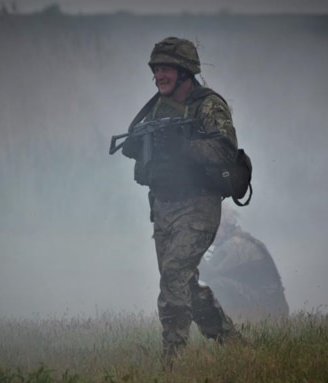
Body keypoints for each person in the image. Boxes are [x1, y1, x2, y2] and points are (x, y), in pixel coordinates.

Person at [120, 36, 244, 363]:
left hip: (198, 206)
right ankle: (230, 341)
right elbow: (148, 151)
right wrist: (139, 150)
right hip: (163, 208)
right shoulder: (158, 106)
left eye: (166, 69)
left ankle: (172, 360)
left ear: (185, 72)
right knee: (185, 285)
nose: (159, 76)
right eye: (156, 69)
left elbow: (225, 150)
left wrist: (183, 145)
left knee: (173, 275)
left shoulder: (208, 105)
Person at [199, 205, 290, 320]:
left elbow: (208, 273)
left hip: (268, 310)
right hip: (270, 306)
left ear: (227, 226)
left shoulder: (234, 245)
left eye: (215, 227)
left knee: (219, 284)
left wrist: (190, 251)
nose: (210, 231)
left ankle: (228, 323)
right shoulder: (240, 241)